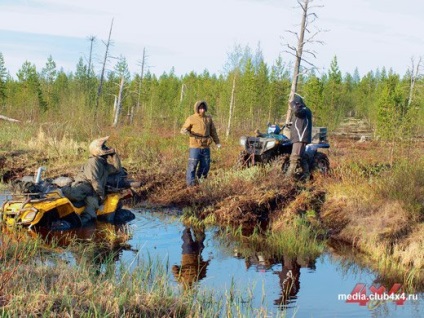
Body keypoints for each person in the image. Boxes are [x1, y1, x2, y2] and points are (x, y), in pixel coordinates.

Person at [63, 136, 126, 225]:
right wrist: (101, 195)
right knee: (74, 195)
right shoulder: (93, 162)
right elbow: (94, 180)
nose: (106, 148)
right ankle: (59, 190)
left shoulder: (103, 164)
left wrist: (115, 156)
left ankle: (76, 228)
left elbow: (117, 169)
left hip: (93, 192)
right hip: (84, 187)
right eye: (103, 147)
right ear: (97, 149)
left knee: (90, 215)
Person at [180, 100, 221, 186]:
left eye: (203, 108)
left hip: (206, 146)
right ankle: (190, 186)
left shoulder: (208, 119)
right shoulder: (191, 118)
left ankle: (200, 182)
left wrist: (217, 142)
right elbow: (184, 128)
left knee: (206, 166)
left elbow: (213, 131)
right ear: (197, 109)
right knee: (192, 166)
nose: (202, 110)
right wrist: (184, 131)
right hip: (195, 146)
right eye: (200, 108)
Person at [286, 94, 312, 179]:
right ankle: (306, 176)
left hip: (300, 138)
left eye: (296, 104)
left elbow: (297, 111)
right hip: (300, 138)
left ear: (298, 103)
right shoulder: (305, 111)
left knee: (294, 158)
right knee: (302, 157)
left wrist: (291, 102)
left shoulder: (303, 110)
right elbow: (300, 122)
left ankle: (287, 179)